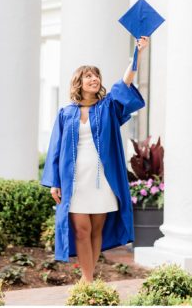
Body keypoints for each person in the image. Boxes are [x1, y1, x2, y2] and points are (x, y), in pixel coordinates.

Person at [41, 36, 149, 282]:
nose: (94, 79)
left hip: (103, 180)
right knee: (81, 229)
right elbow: (55, 149)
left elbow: (125, 83)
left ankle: (89, 277)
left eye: (96, 75)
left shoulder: (107, 107)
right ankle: (87, 280)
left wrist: (138, 53)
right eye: (88, 76)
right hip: (75, 180)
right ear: (78, 82)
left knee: (96, 230)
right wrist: (54, 182)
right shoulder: (66, 113)